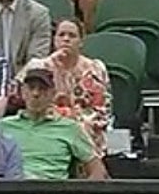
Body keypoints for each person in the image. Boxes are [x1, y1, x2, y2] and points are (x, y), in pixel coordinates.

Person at [18, 17, 113, 154]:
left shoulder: (96, 69)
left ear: (81, 42)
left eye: (72, 35)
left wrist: (72, 119)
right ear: (54, 40)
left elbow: (103, 111)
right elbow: (18, 97)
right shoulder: (38, 66)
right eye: (61, 35)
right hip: (46, 128)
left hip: (88, 131)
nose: (66, 39)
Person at [0, 66, 107, 180]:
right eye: (31, 88)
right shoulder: (3, 126)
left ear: (52, 94)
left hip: (53, 192)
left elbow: (97, 168)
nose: (35, 93)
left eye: (42, 89)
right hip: (13, 190)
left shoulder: (70, 128)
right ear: (23, 92)